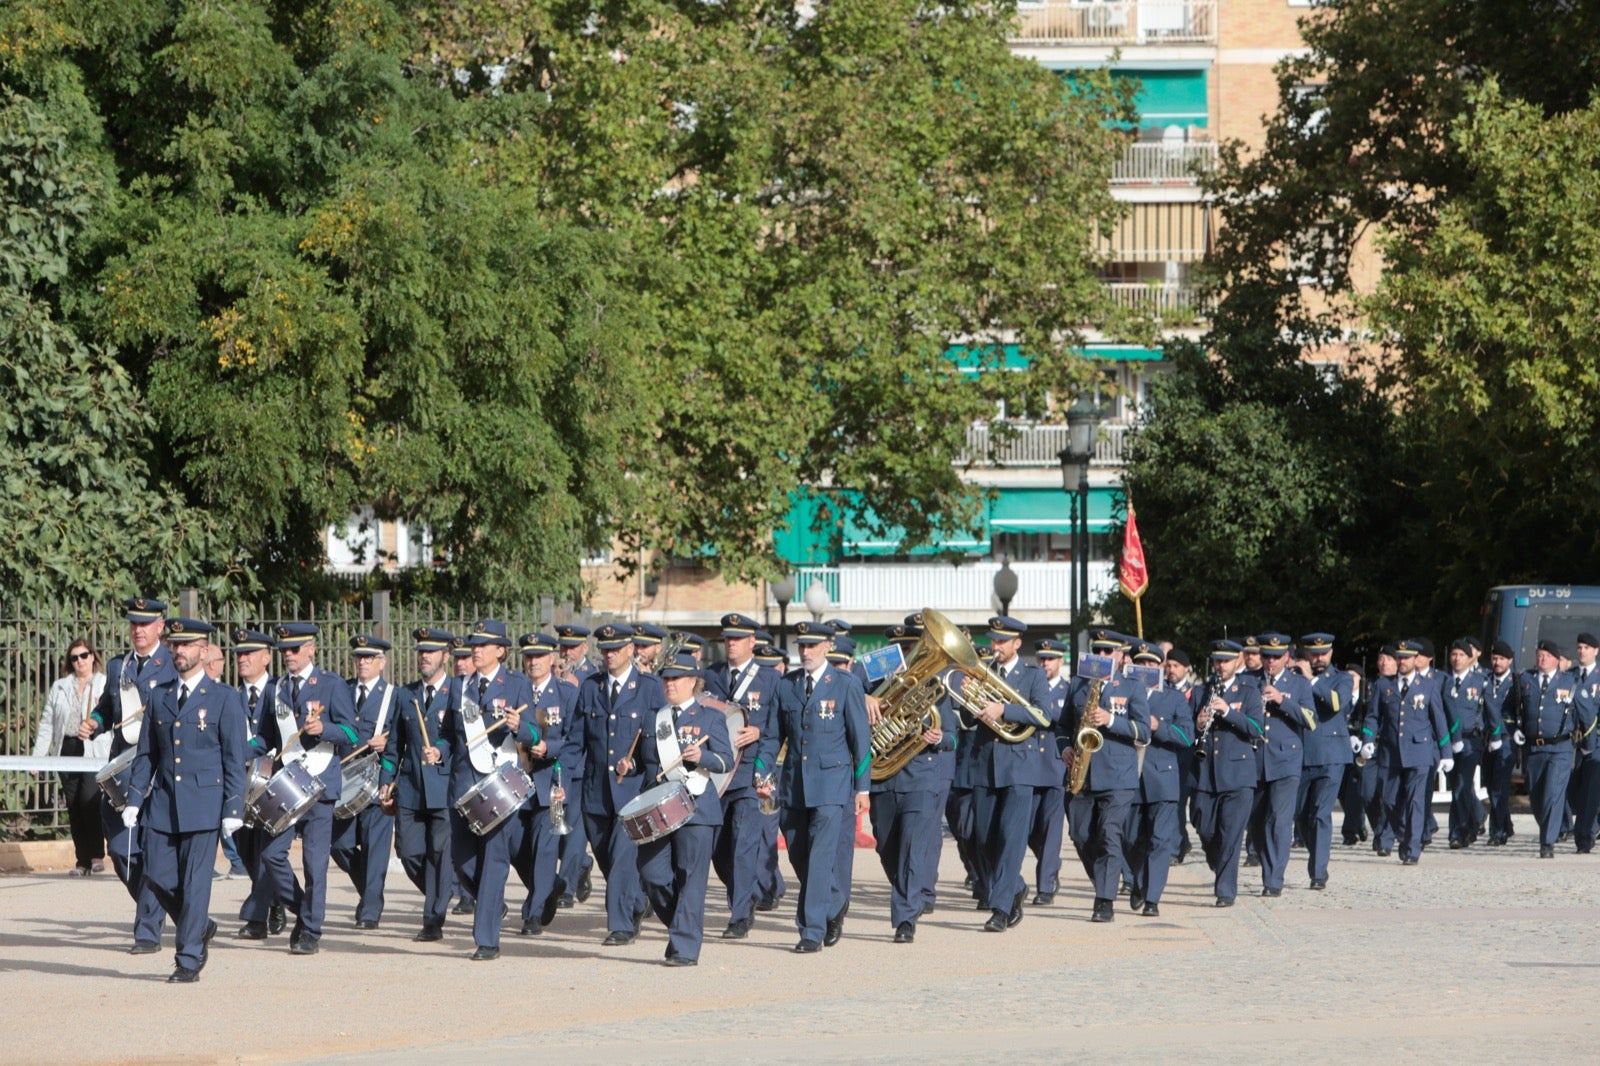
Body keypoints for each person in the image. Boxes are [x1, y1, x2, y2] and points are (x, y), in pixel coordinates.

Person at [123, 618, 248, 982]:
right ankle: (200, 925)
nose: (179, 651)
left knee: (195, 886)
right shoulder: (159, 695)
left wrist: (233, 807)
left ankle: (188, 959)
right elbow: (147, 754)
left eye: (188, 645)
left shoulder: (224, 698)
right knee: (157, 877)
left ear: (204, 652)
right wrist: (134, 799)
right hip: (162, 803)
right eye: (175, 645)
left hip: (204, 806)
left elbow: (233, 758)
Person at [753, 621, 870, 953]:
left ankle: (811, 930)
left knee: (819, 857)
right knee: (798, 855)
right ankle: (833, 899)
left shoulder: (845, 684)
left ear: (827, 647)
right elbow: (773, 736)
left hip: (832, 785)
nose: (805, 651)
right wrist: (761, 773)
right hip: (794, 785)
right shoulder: (786, 685)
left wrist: (863, 789)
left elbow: (861, 742)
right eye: (801, 645)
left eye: (812, 646)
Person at [79, 596, 179, 953]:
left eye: (145, 624)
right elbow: (109, 707)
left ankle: (148, 932)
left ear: (160, 627)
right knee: (121, 852)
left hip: (155, 773)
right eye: (134, 624)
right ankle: (177, 909)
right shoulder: (120, 666)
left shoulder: (172, 665)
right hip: (120, 772)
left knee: (152, 850)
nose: (138, 630)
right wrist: (96, 722)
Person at [254, 621, 359, 955]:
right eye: (284, 650)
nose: (289, 655)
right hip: (287, 785)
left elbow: (354, 734)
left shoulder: (331, 685)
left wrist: (325, 728)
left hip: (319, 785)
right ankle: (304, 909)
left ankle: (311, 931)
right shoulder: (276, 688)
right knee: (271, 855)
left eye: (295, 649)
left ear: (311, 648)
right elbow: (266, 736)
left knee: (315, 864)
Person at [627, 653, 733, 965]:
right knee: (652, 874)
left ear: (693, 682)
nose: (669, 684)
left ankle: (685, 947)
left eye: (676, 679)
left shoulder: (710, 718)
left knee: (691, 877)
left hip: (697, 807)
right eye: (666, 678)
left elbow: (726, 761)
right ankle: (683, 926)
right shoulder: (653, 718)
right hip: (657, 810)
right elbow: (645, 764)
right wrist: (629, 764)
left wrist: (704, 757)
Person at [442, 619, 536, 960]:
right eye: (473, 645)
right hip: (464, 783)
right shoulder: (458, 686)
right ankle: (491, 904)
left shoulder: (516, 684)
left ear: (501, 650)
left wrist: (519, 726)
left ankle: (487, 940)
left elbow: (535, 734)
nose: (475, 650)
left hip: (500, 785)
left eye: (483, 645)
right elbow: (447, 734)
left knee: (495, 859)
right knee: (462, 859)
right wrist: (437, 749)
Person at [568, 623, 663, 946]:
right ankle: (635, 903)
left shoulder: (649, 688)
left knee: (623, 858)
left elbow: (658, 741)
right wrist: (562, 777)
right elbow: (576, 739)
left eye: (615, 649)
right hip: (596, 792)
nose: (609, 655)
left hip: (632, 792)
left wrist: (636, 763)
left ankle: (620, 925)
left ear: (630, 650)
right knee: (608, 859)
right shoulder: (590, 687)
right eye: (605, 649)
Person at [964, 616, 1056, 931]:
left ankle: (1000, 910)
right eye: (993, 640)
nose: (995, 646)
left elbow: (1044, 716)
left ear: (1017, 643)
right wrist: (967, 695)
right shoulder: (983, 672)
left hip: (1019, 767)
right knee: (986, 840)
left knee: (1012, 840)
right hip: (986, 765)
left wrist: (1005, 710)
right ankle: (1014, 887)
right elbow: (967, 717)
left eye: (1002, 641)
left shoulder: (1033, 676)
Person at [703, 612, 782, 940]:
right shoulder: (711, 676)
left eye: (738, 638)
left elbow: (778, 729)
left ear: (752, 642)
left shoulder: (769, 680)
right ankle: (744, 893)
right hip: (717, 776)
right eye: (727, 638)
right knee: (719, 849)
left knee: (745, 845)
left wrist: (759, 733)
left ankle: (739, 914)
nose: (731, 643)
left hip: (751, 774)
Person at [1059, 629, 1145, 924]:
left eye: (1109, 652)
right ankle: (1121, 877)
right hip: (1083, 774)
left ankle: (1104, 900)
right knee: (1080, 835)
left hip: (1118, 777)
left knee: (1109, 833)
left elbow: (1143, 731)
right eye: (1099, 650)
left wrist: (1112, 720)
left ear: (1121, 656)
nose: (1103, 656)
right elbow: (1062, 728)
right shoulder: (1078, 685)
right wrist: (1065, 748)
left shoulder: (1133, 687)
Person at [387, 627, 456, 941]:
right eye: (421, 651)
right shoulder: (406, 695)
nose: (424, 656)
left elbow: (461, 741)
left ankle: (433, 920)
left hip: (444, 788)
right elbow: (393, 745)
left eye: (431, 651)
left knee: (440, 854)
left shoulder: (456, 692)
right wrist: (385, 782)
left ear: (446, 656)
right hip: (411, 789)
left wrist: (441, 751)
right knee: (409, 853)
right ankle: (447, 890)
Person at [1357, 639, 1450, 865]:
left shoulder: (1428, 685)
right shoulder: (1383, 685)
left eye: (1406, 658)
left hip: (1420, 751)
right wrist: (1368, 739)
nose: (1402, 662)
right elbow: (1372, 716)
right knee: (1388, 800)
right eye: (1399, 657)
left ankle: (1412, 849)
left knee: (1415, 801)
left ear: (1415, 659)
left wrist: (1446, 751)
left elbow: (1439, 721)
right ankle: (1406, 835)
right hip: (1390, 751)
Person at [1192, 640, 1264, 907]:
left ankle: (1225, 891)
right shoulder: (1202, 690)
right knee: (1205, 827)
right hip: (1205, 773)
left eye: (1225, 660)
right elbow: (1189, 729)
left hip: (1237, 774)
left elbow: (1257, 728)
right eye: (1217, 661)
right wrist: (1198, 724)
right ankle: (1219, 863)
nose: (1220, 665)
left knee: (1231, 833)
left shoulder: (1249, 690)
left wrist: (1229, 711)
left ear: (1239, 661)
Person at [514, 631, 576, 936]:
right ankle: (551, 885)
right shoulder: (517, 690)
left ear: (552, 659)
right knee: (515, 848)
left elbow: (576, 740)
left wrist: (549, 749)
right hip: (516, 783)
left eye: (539, 656)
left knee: (544, 850)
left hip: (550, 781)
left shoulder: (566, 694)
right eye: (529, 656)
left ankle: (534, 913)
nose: (533, 661)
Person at [331, 635, 395, 929]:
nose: (363, 662)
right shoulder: (341, 689)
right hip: (344, 782)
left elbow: (408, 735)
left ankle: (370, 908)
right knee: (340, 845)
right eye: (359, 657)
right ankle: (369, 892)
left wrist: (389, 740)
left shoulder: (393, 695)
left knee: (375, 848)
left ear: (382, 662)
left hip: (376, 782)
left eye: (369, 658)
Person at [1505, 638, 1589, 858]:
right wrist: (1513, 729)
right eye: (1538, 655)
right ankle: (1554, 828)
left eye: (1546, 656)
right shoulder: (1525, 680)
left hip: (1560, 748)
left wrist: (1587, 745)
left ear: (1556, 659)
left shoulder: (1569, 682)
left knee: (1553, 792)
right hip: (1533, 749)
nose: (1541, 659)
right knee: (1536, 795)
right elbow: (1508, 710)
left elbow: (1586, 715)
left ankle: (1547, 842)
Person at [1125, 642, 1191, 917]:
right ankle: (1139, 883)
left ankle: (1153, 897)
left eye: (1152, 665)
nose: (1147, 669)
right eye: (1142, 664)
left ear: (1160, 668)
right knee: (1130, 839)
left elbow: (1187, 736)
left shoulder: (1173, 698)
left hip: (1162, 779)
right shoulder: (1123, 693)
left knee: (1160, 841)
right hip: (1130, 777)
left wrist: (1158, 726)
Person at [33, 638, 107, 876]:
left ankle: (96, 855)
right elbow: (47, 723)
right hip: (67, 747)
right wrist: (38, 757)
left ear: (93, 656)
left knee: (89, 801)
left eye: (84, 655)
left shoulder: (103, 684)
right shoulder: (60, 686)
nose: (80, 661)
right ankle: (82, 861)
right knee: (74, 806)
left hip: (92, 748)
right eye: (74, 657)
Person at [1249, 633, 1314, 897]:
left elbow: (1310, 720)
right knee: (1255, 824)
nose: (1271, 661)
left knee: (1279, 820)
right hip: (1255, 761)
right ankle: (1269, 868)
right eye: (1266, 656)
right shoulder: (1249, 681)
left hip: (1286, 761)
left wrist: (1282, 700)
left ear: (1287, 657)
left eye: (1276, 657)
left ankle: (1274, 879)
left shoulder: (1298, 684)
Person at [232, 627, 286, 941]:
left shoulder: (280, 691)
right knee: (244, 849)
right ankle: (275, 898)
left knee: (267, 848)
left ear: (266, 657)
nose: (243, 658)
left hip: (273, 782)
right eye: (240, 653)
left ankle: (258, 915)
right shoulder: (228, 695)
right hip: (239, 783)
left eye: (250, 653)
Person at [1294, 633, 1353, 890]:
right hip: (1302, 754)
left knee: (1320, 813)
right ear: (1305, 654)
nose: (1318, 658)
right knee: (1299, 814)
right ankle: (1316, 853)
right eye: (1314, 654)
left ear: (1331, 653)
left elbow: (1336, 703)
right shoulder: (1294, 679)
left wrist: (1312, 679)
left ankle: (1318, 872)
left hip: (1331, 756)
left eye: (1324, 653)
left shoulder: (1342, 678)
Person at [552, 622, 595, 908]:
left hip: (581, 763)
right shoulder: (552, 673)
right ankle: (582, 863)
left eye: (572, 646)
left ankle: (565, 887)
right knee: (554, 825)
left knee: (573, 827)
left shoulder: (592, 676)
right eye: (563, 646)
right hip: (554, 761)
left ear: (585, 648)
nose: (566, 651)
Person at [1027, 638, 1070, 905]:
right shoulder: (1030, 686)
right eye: (1042, 658)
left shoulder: (1069, 689)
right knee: (1030, 829)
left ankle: (1045, 887)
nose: (1045, 664)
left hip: (1056, 766)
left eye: (1050, 659)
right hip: (1030, 766)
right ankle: (1051, 863)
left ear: (1060, 662)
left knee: (1052, 830)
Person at [1441, 637, 1490, 849]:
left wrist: (1495, 736)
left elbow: (1491, 710)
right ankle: (1472, 824)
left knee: (1461, 785)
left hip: (1471, 740)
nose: (1457, 659)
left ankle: (1457, 832)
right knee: (1457, 785)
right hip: (1448, 741)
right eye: (1454, 654)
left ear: (1470, 659)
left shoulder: (1480, 681)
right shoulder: (1442, 681)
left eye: (1461, 655)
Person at [1480, 641, 1518, 846]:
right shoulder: (1485, 681)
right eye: (1494, 658)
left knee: (1499, 787)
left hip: (1507, 740)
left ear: (1509, 661)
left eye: (1501, 659)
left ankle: (1497, 831)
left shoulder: (1516, 683)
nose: (1497, 662)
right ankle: (1507, 824)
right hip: (1488, 740)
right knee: (1490, 784)